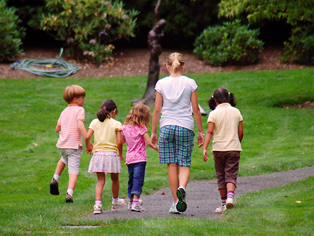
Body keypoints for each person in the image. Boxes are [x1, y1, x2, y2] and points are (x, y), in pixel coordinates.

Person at [150, 52, 204, 214]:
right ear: (183, 66)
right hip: (185, 127)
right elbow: (195, 109)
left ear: (167, 66)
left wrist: (153, 132)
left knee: (171, 164)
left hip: (166, 127)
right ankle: (182, 187)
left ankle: (175, 202)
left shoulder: (161, 83)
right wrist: (201, 131)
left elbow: (157, 110)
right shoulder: (190, 83)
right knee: (184, 163)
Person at [202, 88, 243, 213]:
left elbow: (209, 131)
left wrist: (205, 148)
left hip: (218, 150)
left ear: (214, 100)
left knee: (221, 176)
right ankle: (231, 196)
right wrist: (237, 141)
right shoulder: (236, 112)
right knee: (231, 174)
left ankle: (224, 203)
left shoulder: (213, 113)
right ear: (229, 98)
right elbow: (240, 132)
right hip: (234, 148)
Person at [50, 85, 90, 203]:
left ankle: (55, 179)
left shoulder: (64, 112)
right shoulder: (80, 110)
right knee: (73, 170)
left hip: (62, 145)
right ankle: (69, 194)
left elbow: (58, 129)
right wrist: (87, 137)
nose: (84, 100)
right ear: (75, 99)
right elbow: (80, 126)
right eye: (82, 98)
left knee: (63, 159)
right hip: (74, 146)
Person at [85, 99, 125, 214]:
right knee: (115, 178)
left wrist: (88, 147)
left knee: (100, 181)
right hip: (112, 155)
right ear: (114, 111)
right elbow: (119, 142)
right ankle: (115, 201)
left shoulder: (94, 122)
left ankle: (97, 205)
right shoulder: (116, 124)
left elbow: (87, 137)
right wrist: (121, 154)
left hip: (98, 155)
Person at [121, 104, 158, 212]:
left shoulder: (125, 127)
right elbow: (149, 142)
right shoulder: (142, 128)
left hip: (129, 158)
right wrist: (158, 149)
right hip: (140, 159)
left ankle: (131, 201)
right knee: (138, 180)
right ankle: (136, 202)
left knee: (131, 179)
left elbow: (122, 141)